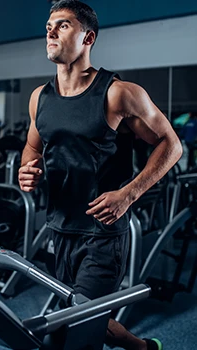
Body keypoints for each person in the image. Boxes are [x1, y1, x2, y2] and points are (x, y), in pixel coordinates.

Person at [18, 1, 182, 349]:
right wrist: (26, 171)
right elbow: (33, 148)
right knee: (82, 317)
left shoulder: (118, 93)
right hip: (59, 230)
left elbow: (172, 145)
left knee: (76, 332)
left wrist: (129, 193)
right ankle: (142, 347)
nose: (50, 31)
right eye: (49, 25)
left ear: (88, 37)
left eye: (62, 25)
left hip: (102, 237)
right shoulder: (39, 98)